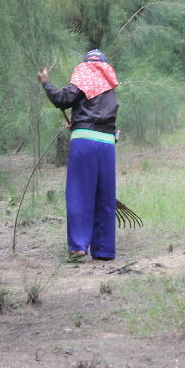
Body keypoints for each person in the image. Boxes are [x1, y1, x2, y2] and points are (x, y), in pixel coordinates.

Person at [38, 49, 119, 261]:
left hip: (85, 143)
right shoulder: (109, 89)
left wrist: (46, 82)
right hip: (108, 144)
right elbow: (101, 118)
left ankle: (78, 246)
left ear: (84, 66)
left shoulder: (84, 79)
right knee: (105, 196)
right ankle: (104, 250)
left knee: (80, 194)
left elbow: (61, 99)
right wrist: (79, 123)